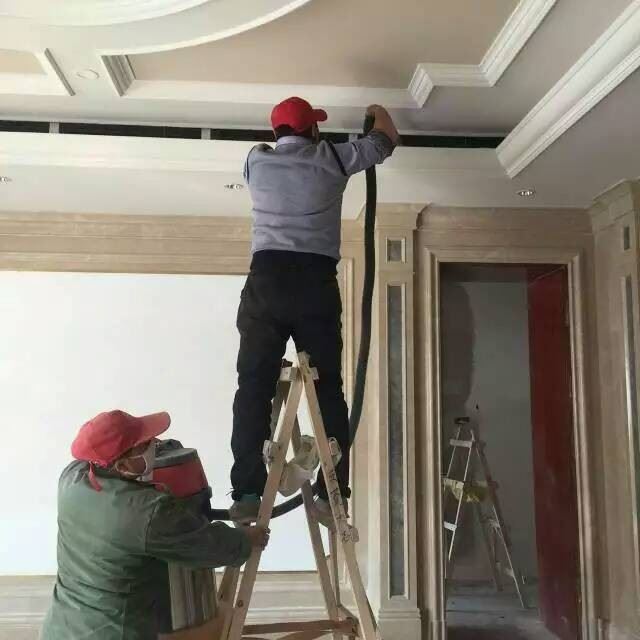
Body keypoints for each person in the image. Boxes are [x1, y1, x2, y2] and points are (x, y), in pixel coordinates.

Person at [230, 97, 399, 524]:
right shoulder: (333, 159)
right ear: (313, 130)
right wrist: (377, 109)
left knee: (253, 387)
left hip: (266, 281)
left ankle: (247, 492)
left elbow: (266, 151)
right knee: (327, 391)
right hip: (314, 285)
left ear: (275, 134)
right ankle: (330, 492)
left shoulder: (256, 162)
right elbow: (385, 139)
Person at [41, 409, 269, 640]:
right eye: (144, 444)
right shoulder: (146, 512)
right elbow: (207, 546)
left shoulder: (71, 478)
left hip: (60, 630)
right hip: (116, 634)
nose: (154, 444)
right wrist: (247, 538)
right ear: (123, 465)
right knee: (224, 620)